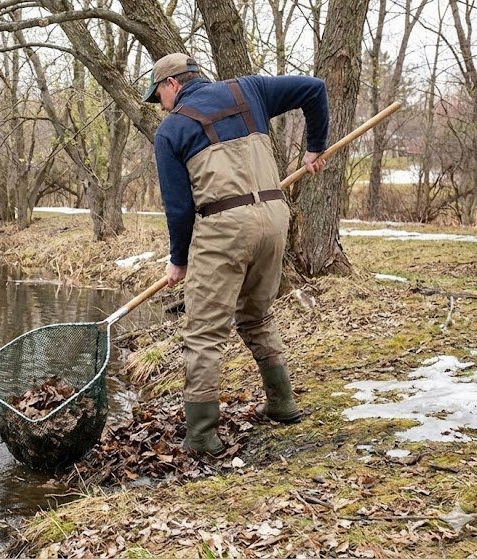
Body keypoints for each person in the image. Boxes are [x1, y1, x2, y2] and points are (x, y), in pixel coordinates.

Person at [142, 53, 330, 455]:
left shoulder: (171, 131)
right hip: (274, 218)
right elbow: (314, 89)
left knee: (204, 332)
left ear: (172, 83)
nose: (161, 106)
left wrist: (179, 259)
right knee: (256, 314)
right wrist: (315, 148)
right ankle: (282, 403)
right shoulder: (249, 90)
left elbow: (179, 208)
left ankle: (201, 436)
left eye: (159, 96)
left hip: (224, 226)